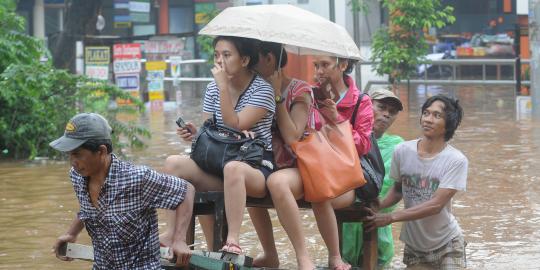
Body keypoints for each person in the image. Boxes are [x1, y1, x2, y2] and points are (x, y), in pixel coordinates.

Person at [161, 36, 275, 255]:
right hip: (218, 164)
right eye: (216, 55)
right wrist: (196, 134)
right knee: (173, 164)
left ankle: (233, 239)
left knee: (233, 168)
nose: (220, 61)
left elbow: (236, 123)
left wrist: (223, 87)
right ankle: (172, 234)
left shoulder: (263, 89)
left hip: (254, 168)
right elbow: (210, 130)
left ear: (244, 60)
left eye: (227, 55)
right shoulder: (213, 88)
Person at [50, 113, 195, 269]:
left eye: (77, 155)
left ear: (101, 151)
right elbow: (88, 209)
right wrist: (72, 233)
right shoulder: (78, 176)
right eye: (69, 155)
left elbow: (186, 190)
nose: (73, 163)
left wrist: (179, 239)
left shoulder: (137, 178)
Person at [363, 94, 468, 269]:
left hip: (447, 243)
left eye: (436, 115)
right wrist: (377, 206)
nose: (428, 119)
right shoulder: (402, 150)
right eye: (426, 113)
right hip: (414, 246)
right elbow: (398, 191)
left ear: (449, 124)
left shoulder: (456, 160)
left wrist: (390, 217)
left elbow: (435, 205)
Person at [247, 41, 320, 268]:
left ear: (270, 59)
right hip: (266, 162)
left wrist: (277, 96)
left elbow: (292, 137)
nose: (249, 66)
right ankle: (270, 254)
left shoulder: (300, 90)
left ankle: (302, 256)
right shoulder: (253, 89)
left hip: (299, 166)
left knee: (278, 183)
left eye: (253, 60)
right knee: (241, 175)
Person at [341, 87, 404, 267]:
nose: (386, 115)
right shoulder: (347, 137)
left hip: (377, 224)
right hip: (346, 223)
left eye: (392, 112)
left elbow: (388, 186)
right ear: (366, 106)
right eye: (381, 107)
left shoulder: (397, 145)